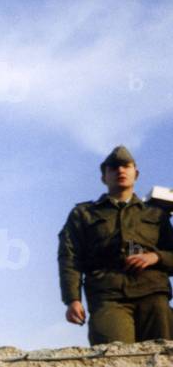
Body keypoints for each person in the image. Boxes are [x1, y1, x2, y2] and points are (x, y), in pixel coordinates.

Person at [58, 145, 173, 345]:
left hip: (153, 294)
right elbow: (70, 257)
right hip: (108, 295)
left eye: (126, 166)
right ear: (104, 177)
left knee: (161, 356)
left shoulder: (156, 214)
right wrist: (72, 299)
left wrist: (156, 257)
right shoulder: (84, 214)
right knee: (113, 354)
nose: (120, 171)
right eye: (113, 168)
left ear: (136, 174)